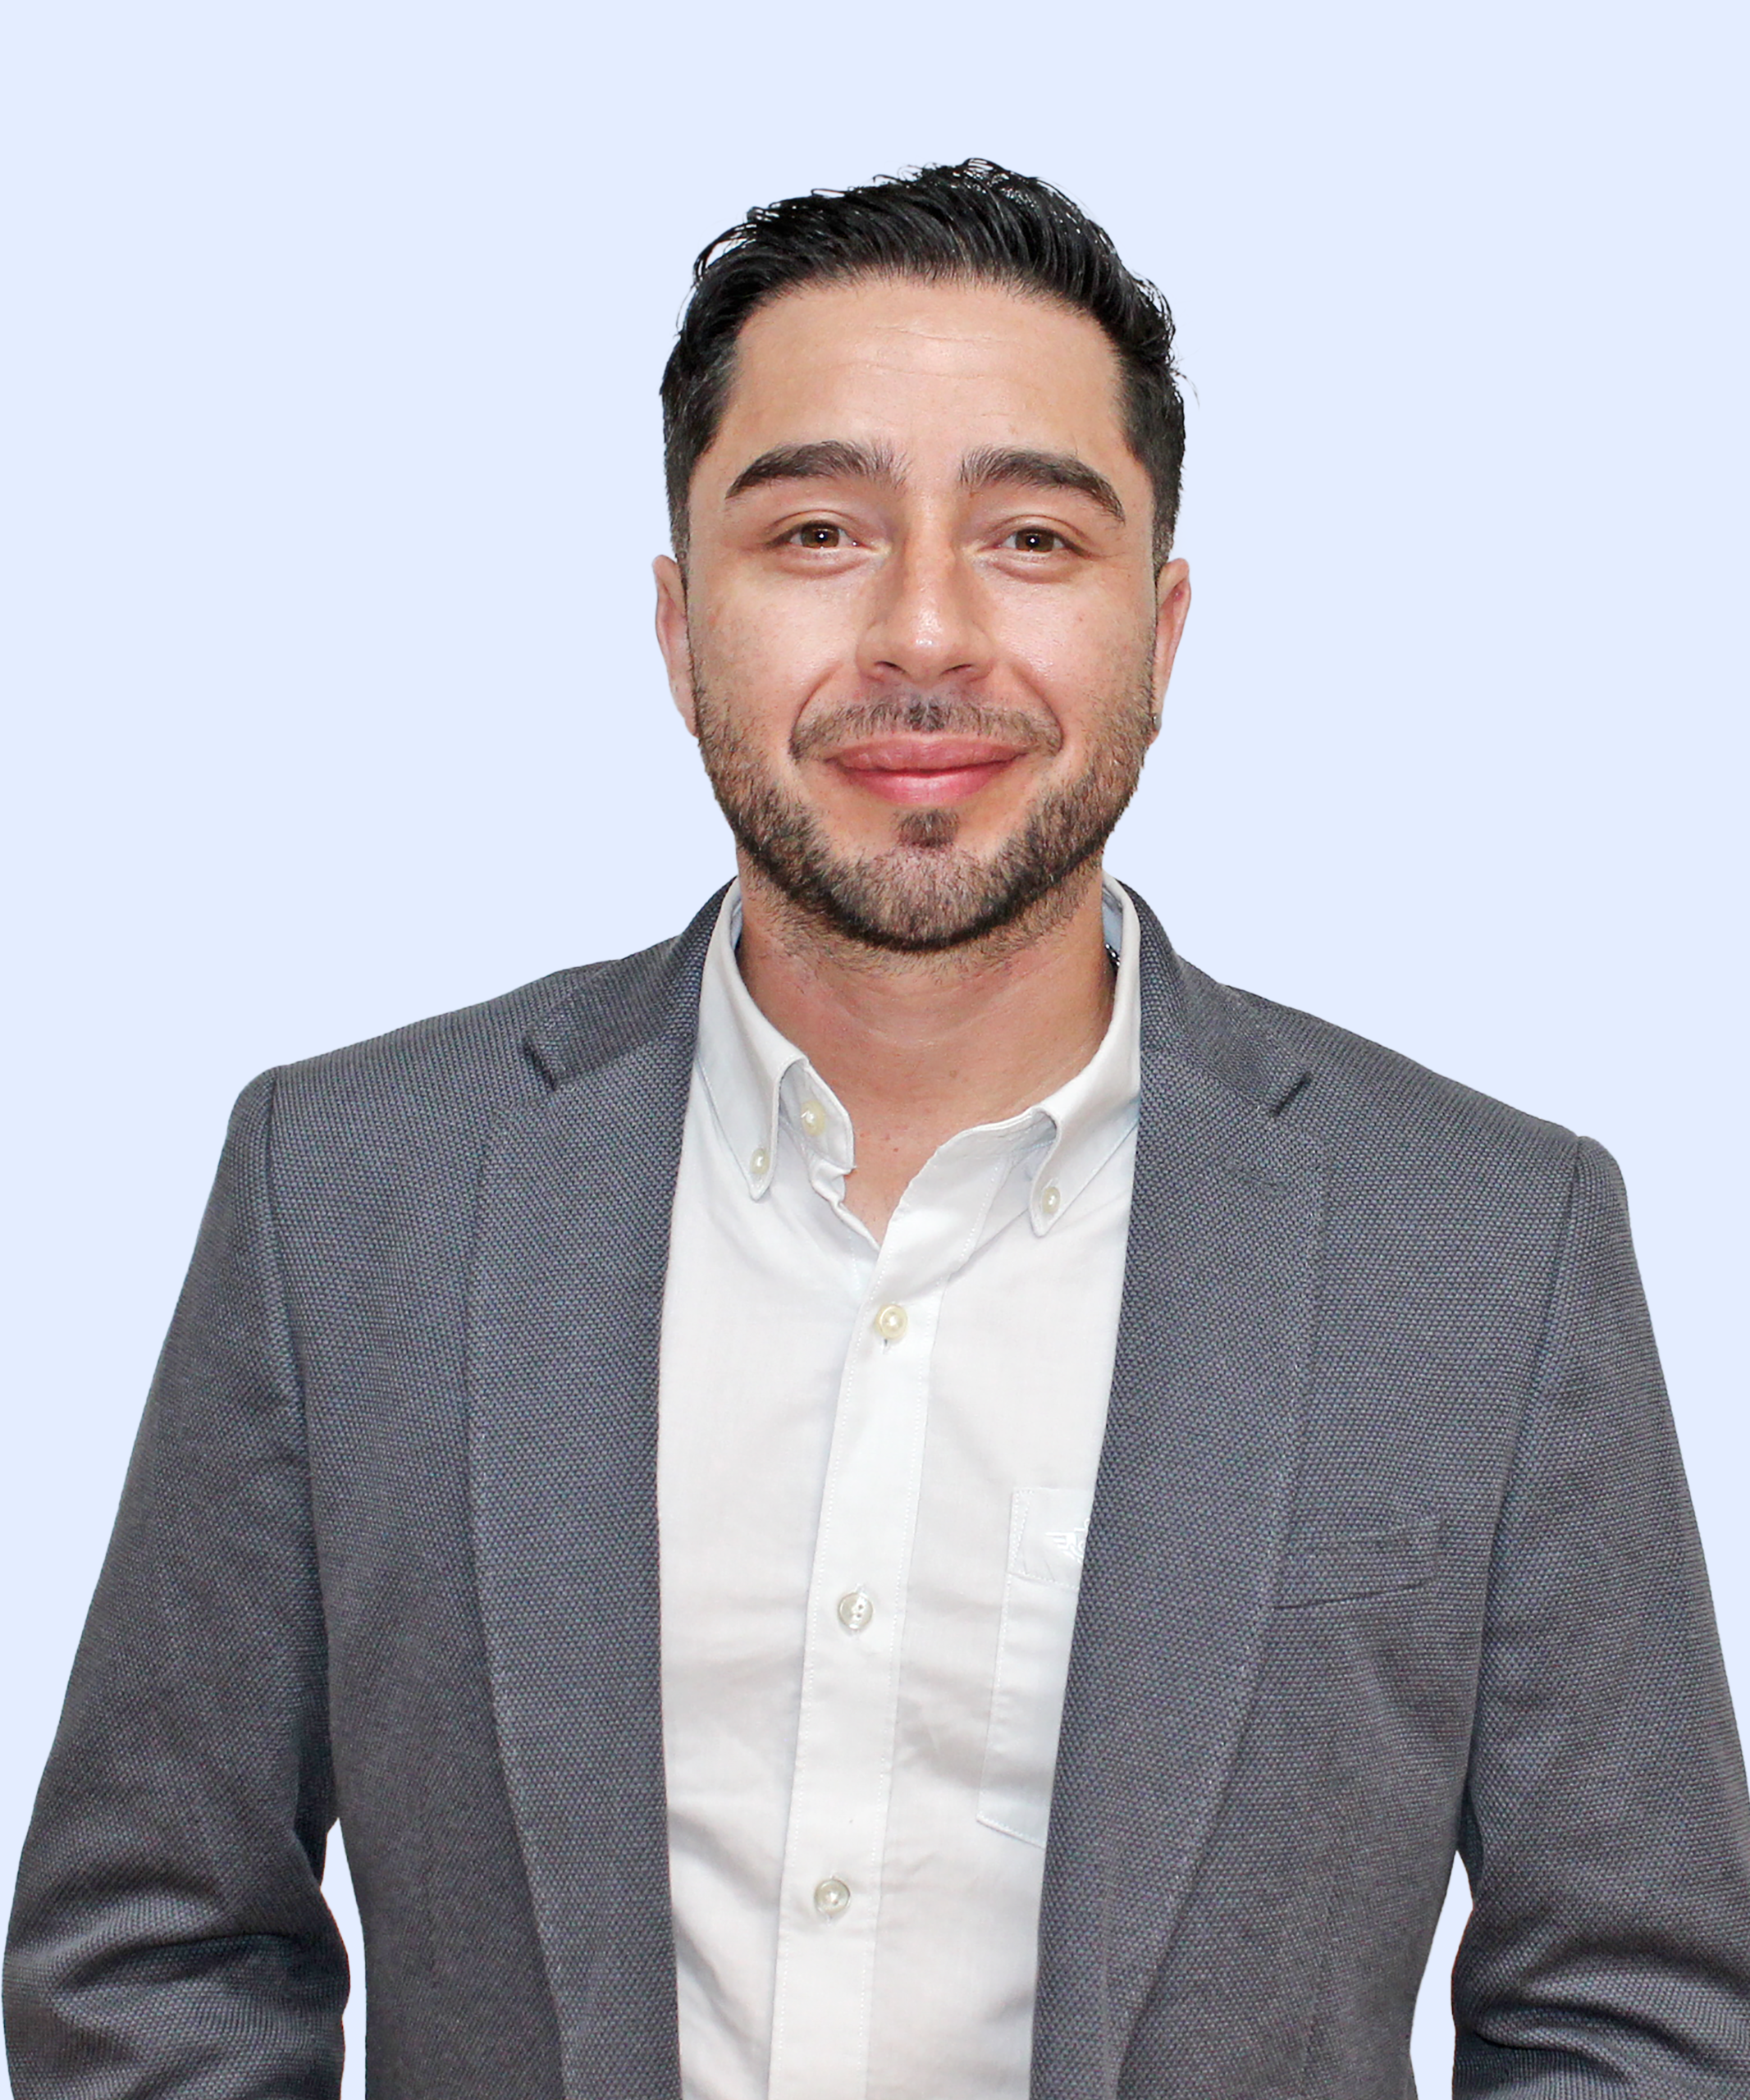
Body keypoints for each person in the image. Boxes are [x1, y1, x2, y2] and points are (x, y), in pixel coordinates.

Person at [7, 158, 1749, 2100]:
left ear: (1162, 627)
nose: (924, 631)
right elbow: (152, 1948)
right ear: (679, 622)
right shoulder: (347, 1195)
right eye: (819, 530)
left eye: (1031, 536)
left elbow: (1636, 2014)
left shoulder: (1489, 1248)